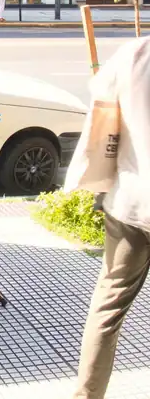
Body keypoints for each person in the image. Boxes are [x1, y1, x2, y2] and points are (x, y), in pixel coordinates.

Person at [70, 38, 150, 399]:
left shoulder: (134, 53)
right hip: (129, 204)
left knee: (108, 306)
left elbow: (99, 93)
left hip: (131, 201)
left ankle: (87, 395)